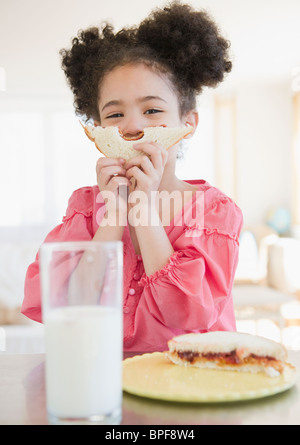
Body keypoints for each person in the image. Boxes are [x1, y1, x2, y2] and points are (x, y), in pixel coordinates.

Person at [21, 1, 243, 352]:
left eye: (152, 110)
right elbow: (70, 303)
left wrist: (143, 209)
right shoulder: (85, 206)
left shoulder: (215, 212)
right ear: (96, 131)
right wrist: (115, 214)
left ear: (187, 124)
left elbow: (188, 313)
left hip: (193, 385)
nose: (133, 126)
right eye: (115, 114)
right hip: (105, 379)